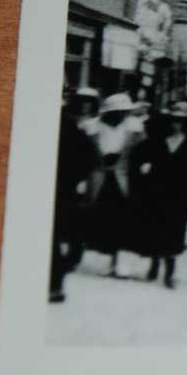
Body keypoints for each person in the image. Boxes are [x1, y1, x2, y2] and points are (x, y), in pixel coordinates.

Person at [133, 102, 187, 289]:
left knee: (175, 233)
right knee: (156, 230)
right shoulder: (156, 142)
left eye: (180, 121)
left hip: (179, 198)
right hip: (157, 194)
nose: (176, 125)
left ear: (186, 124)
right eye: (173, 121)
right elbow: (138, 157)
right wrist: (144, 171)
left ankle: (170, 272)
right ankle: (154, 264)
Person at [85, 93, 148, 276]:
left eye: (124, 112)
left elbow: (142, 151)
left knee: (122, 220)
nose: (120, 116)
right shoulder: (92, 128)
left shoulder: (134, 129)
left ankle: (117, 260)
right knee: (98, 217)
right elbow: (85, 153)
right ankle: (97, 253)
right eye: (117, 112)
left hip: (124, 179)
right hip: (99, 178)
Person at [51, 97, 99, 302]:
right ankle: (55, 283)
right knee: (54, 236)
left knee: (53, 236)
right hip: (63, 188)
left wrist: (73, 179)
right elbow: (89, 158)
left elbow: (89, 157)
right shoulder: (71, 125)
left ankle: (55, 283)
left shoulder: (68, 125)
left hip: (60, 188)